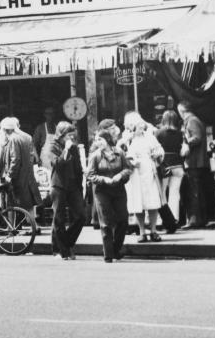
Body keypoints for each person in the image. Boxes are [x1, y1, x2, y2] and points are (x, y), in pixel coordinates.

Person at [87, 119, 131, 262]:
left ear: (107, 140)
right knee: (105, 222)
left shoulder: (119, 153)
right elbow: (90, 175)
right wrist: (104, 179)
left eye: (100, 139)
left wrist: (120, 175)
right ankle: (109, 255)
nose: (97, 142)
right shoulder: (95, 156)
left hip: (118, 190)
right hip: (102, 191)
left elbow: (127, 169)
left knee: (123, 220)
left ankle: (116, 249)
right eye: (96, 140)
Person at [123, 111, 164, 243]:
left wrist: (156, 155)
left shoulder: (150, 137)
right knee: (138, 203)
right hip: (135, 174)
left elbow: (159, 149)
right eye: (138, 126)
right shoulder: (126, 139)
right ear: (132, 127)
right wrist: (130, 161)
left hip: (149, 171)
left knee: (152, 201)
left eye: (142, 125)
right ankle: (141, 231)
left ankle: (153, 230)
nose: (142, 128)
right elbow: (122, 154)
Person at [47, 122, 85, 259]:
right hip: (59, 185)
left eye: (72, 134)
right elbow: (57, 164)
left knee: (81, 216)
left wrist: (81, 186)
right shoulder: (53, 146)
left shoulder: (74, 147)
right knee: (59, 218)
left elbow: (78, 167)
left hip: (73, 185)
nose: (71, 137)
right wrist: (66, 150)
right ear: (61, 135)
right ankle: (61, 250)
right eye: (68, 135)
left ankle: (66, 243)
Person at [0, 117, 41, 213]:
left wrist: (9, 175)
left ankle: (11, 226)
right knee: (28, 202)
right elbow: (31, 155)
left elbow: (15, 159)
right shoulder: (27, 137)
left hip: (16, 175)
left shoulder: (12, 139)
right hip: (27, 173)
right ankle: (33, 224)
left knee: (10, 202)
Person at [177, 101, 210, 229]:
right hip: (196, 161)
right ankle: (199, 219)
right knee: (196, 190)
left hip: (195, 161)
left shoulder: (192, 121)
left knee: (194, 191)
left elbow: (197, 137)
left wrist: (185, 142)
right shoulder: (194, 120)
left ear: (182, 111)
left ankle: (195, 220)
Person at [155, 110, 184, 233]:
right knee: (174, 193)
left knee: (162, 194)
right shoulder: (179, 133)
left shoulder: (159, 133)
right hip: (178, 165)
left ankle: (163, 221)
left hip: (165, 165)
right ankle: (175, 219)